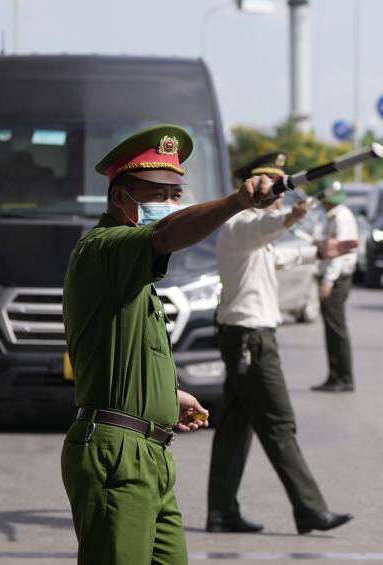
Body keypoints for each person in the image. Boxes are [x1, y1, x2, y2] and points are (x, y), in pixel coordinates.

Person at [61, 124, 280, 565]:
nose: (167, 204)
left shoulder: (135, 274)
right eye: (155, 194)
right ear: (120, 198)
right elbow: (165, 235)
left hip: (151, 454)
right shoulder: (104, 249)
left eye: (174, 194)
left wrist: (166, 395)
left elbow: (126, 350)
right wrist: (237, 202)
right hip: (116, 454)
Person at [206, 153, 356, 535]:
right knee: (279, 423)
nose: (278, 195)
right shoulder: (242, 224)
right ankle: (309, 509)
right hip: (250, 340)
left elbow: (276, 255)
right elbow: (268, 232)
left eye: (280, 188)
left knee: (235, 428)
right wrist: (290, 218)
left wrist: (319, 251)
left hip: (245, 337)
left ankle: (221, 512)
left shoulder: (252, 230)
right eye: (271, 187)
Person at [311, 181, 359, 393]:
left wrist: (327, 281)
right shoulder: (334, 215)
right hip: (335, 276)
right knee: (332, 329)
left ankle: (343, 377)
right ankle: (335, 375)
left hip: (337, 278)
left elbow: (338, 254)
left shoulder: (340, 217)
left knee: (336, 329)